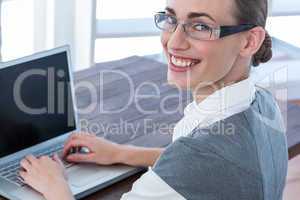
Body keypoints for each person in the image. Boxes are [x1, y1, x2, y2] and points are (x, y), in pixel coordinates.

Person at [19, 0, 288, 199]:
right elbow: (206, 166)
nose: (173, 43)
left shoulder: (199, 158)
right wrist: (120, 153)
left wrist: (56, 187)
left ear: (249, 41)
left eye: (201, 26)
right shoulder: (263, 104)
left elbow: (198, 164)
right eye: (171, 19)